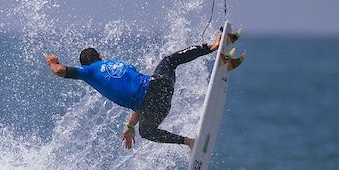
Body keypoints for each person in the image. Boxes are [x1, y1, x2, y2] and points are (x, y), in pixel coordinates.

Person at [44, 30, 237, 150]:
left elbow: (59, 71)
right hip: (162, 87)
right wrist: (129, 126)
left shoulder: (88, 72)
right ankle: (212, 47)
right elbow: (138, 94)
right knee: (169, 61)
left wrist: (53, 63)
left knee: (146, 132)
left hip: (156, 105)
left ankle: (188, 142)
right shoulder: (119, 63)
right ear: (101, 56)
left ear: (84, 65)